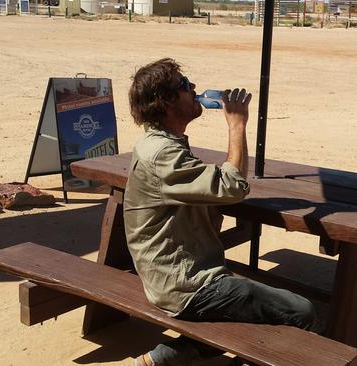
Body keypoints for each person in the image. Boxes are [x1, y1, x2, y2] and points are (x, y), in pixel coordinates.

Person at [124, 58, 317, 366]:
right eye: (185, 86)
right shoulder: (162, 153)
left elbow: (206, 195)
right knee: (301, 311)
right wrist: (237, 123)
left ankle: (170, 355)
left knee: (252, 306)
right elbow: (234, 186)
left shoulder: (157, 142)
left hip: (168, 275)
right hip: (184, 286)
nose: (194, 89)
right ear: (166, 100)